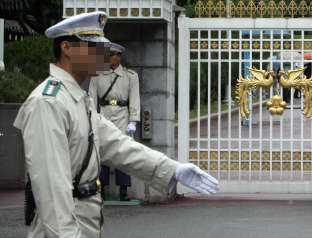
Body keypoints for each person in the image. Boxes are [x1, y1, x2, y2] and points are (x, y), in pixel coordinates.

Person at [14, 12, 219, 237]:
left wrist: (171, 169)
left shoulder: (76, 99)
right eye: (93, 47)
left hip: (85, 220)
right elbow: (51, 190)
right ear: (67, 48)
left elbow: (118, 145)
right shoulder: (49, 102)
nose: (102, 54)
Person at [89, 42, 139, 201]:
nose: (108, 58)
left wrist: (133, 120)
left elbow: (134, 99)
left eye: (111, 55)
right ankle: (101, 187)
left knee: (122, 152)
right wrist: (91, 118)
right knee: (102, 151)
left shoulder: (130, 75)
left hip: (122, 115)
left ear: (119, 57)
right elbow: (91, 99)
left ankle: (123, 190)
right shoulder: (97, 74)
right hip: (103, 114)